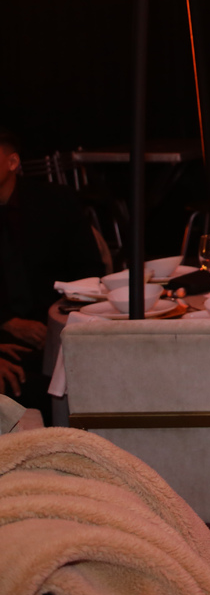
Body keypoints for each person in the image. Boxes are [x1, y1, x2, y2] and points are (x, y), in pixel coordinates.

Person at [0, 128, 104, 413]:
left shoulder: (55, 202)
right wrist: (6, 322)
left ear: (12, 162)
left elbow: (90, 271)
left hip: (57, 327)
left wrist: (61, 321)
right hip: (5, 339)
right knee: (30, 390)